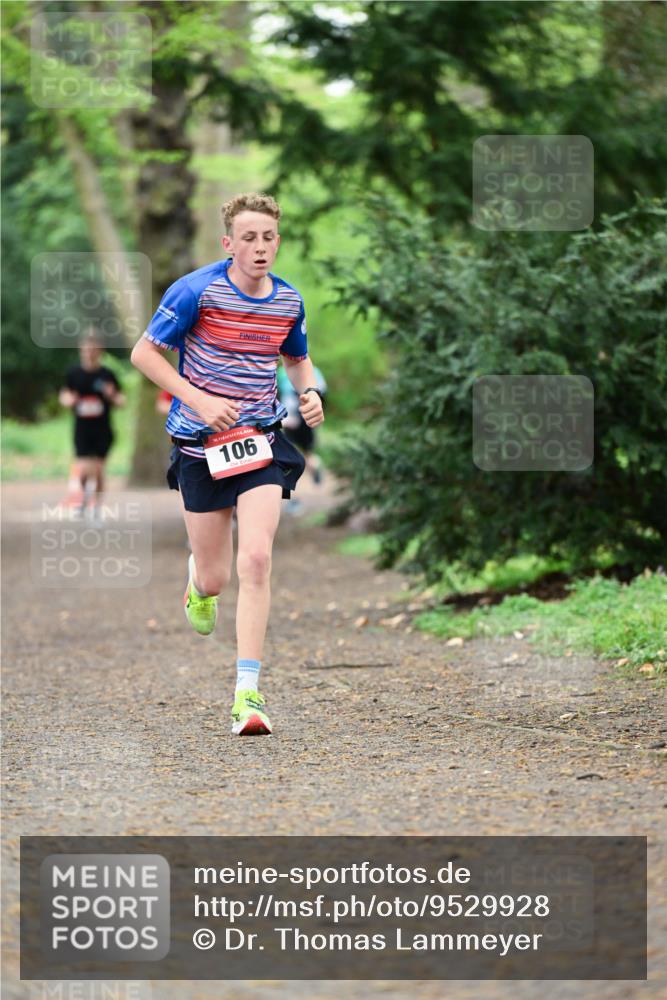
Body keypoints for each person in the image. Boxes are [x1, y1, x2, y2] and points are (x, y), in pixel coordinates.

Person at [130, 192, 325, 736]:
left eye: (268, 238)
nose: (259, 247)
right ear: (228, 243)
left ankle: (247, 695)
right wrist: (197, 399)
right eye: (248, 238)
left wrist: (309, 394)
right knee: (216, 578)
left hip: (259, 440)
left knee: (257, 560)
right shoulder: (195, 290)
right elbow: (144, 355)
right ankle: (197, 581)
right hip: (200, 447)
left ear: (277, 241)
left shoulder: (289, 300)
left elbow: (297, 359)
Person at [59, 332, 125, 515]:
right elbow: (64, 395)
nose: (89, 353)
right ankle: (85, 499)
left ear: (100, 351)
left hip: (103, 429)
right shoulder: (74, 373)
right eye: (86, 350)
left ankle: (96, 505)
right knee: (83, 469)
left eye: (93, 350)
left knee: (98, 469)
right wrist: (68, 401)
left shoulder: (107, 375)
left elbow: (121, 401)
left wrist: (112, 395)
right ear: (81, 351)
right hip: (82, 429)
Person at [278, 362, 327, 487]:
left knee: (290, 451)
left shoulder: (282, 372)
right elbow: (322, 392)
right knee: (307, 451)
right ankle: (313, 468)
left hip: (292, 418)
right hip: (304, 417)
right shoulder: (313, 371)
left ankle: (294, 479)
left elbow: (278, 394)